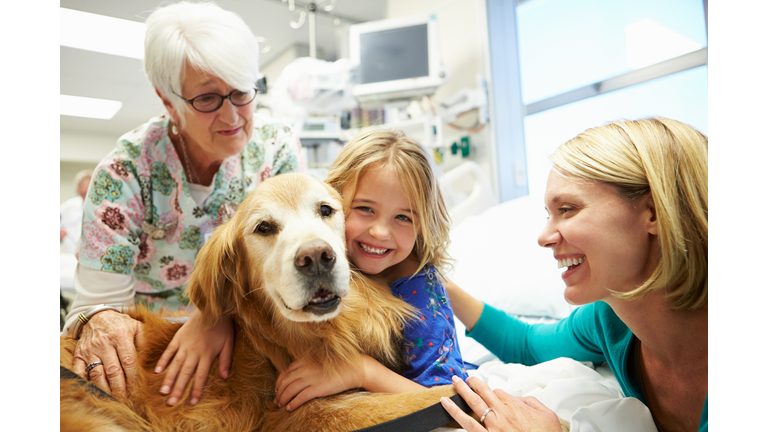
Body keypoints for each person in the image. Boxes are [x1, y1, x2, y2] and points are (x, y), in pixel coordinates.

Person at [61, 1, 304, 402]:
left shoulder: (276, 148)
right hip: (160, 354)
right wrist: (104, 321)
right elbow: (98, 307)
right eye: (208, 99)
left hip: (255, 335)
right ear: (167, 100)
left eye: (242, 92)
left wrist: (218, 315)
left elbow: (290, 265)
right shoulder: (125, 173)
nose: (232, 117)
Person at [157, 127, 471, 410]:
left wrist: (360, 370)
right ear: (344, 200)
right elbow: (223, 282)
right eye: (364, 209)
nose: (378, 232)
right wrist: (210, 317)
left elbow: (448, 400)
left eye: (404, 216)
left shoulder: (421, 287)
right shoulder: (352, 249)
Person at [440, 117, 708, 432]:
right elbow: (527, 344)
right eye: (549, 215)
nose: (544, 236)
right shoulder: (610, 323)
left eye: (567, 209)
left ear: (654, 212)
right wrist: (439, 282)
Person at [60, 169, 92, 253]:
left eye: (86, 194)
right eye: (80, 194)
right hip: (70, 257)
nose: (83, 198)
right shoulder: (67, 207)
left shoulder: (105, 208)